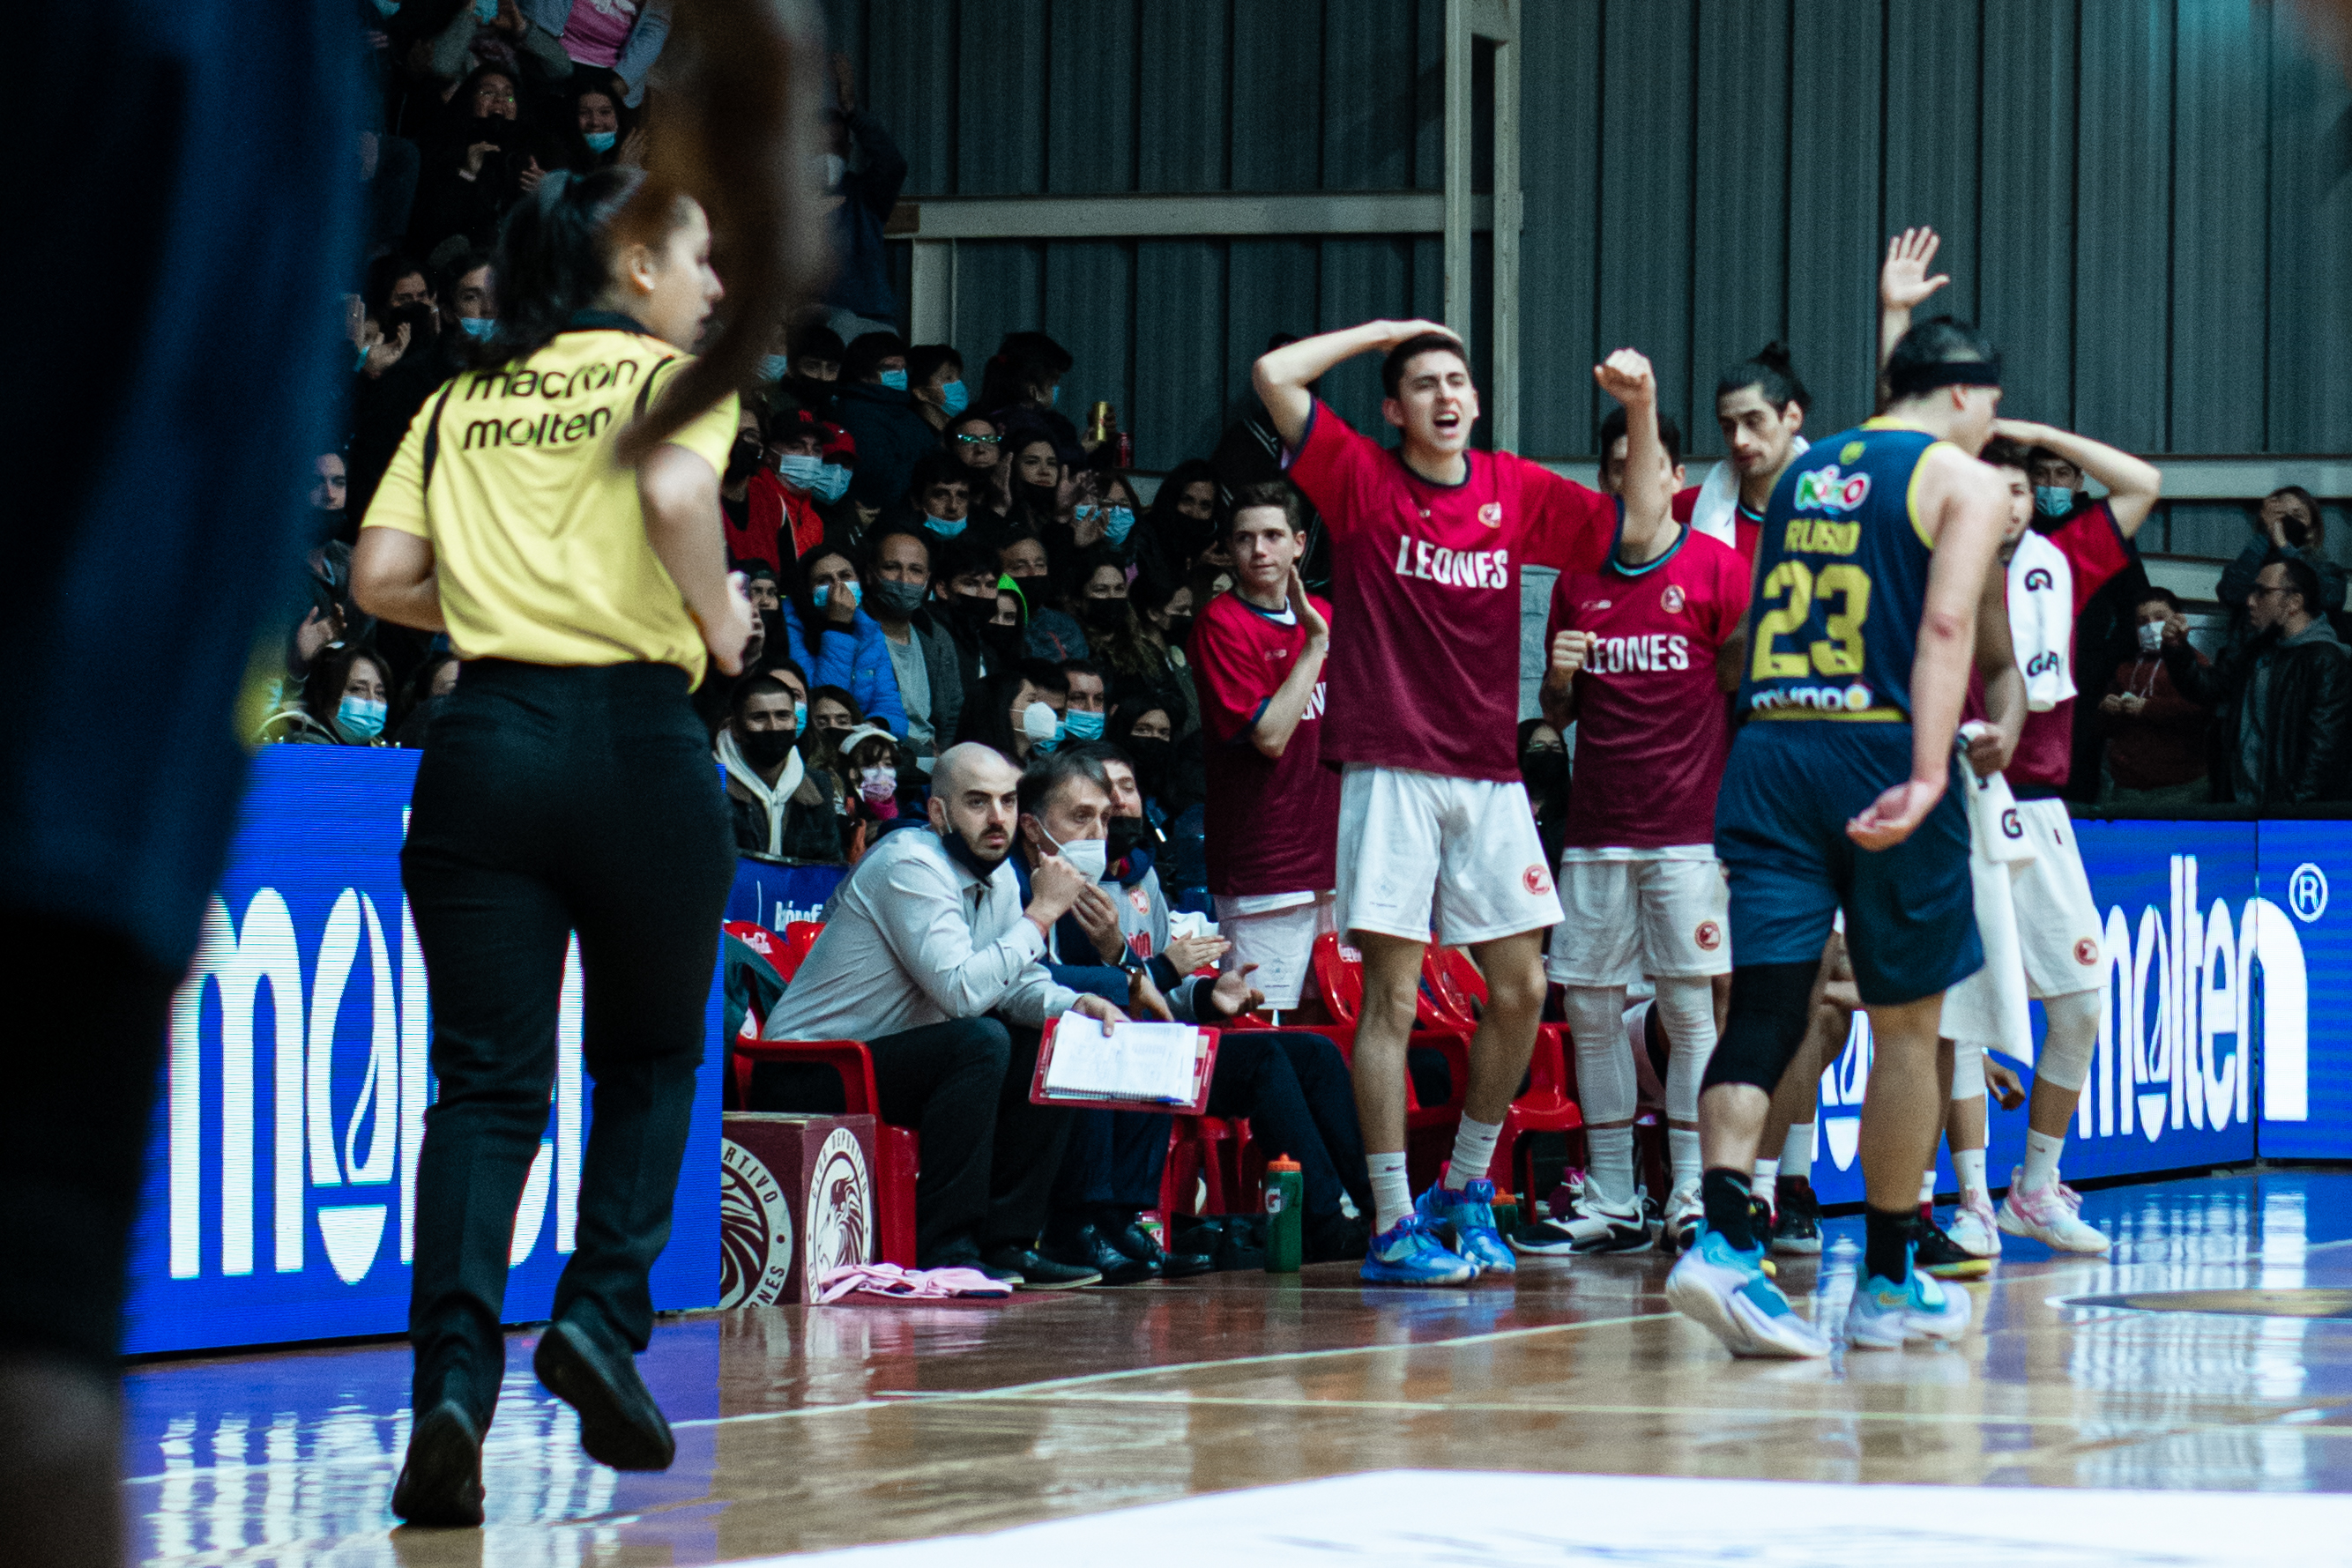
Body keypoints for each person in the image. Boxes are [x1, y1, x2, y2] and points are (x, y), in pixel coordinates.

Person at [351, 163, 757, 1523]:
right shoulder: (668, 381)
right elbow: (681, 502)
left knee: (483, 1091)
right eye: (700, 257)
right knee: (648, 1056)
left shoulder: (461, 399)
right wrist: (722, 627)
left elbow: (380, 579)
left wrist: (504, 596)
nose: (715, 284)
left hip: (487, 732)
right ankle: (596, 1315)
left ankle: (451, 1394)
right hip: (637, 737)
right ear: (635, 266)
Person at [1254, 319, 1654, 1285]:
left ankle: (1464, 1189)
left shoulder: (1513, 488)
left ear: (1475, 402)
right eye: (1423, 383)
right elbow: (1272, 374)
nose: (1444, 396)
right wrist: (1386, 332)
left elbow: (1638, 524)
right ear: (1394, 410)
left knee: (1520, 989)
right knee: (1389, 997)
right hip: (1390, 768)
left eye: (1457, 381)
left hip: (1487, 773)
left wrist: (1637, 407)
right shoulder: (1358, 480)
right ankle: (1395, 1224)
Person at [1666, 314, 2011, 1358]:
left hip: (1770, 748)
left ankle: (1722, 1241)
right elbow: (1946, 626)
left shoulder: (1813, 471)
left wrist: (1893, 312)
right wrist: (1923, 771)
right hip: (1873, 749)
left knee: (1769, 1002)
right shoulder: (1965, 480)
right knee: (1907, 1027)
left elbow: (1887, 437)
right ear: (1962, 393)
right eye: (1990, 403)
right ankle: (1893, 1280)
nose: (1994, 425)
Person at [1521, 390, 1750, 1258]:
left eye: (1646, 468)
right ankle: (1615, 1196)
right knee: (1590, 1011)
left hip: (1688, 834)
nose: (1631, 484)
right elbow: (1555, 714)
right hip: (1595, 834)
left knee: (1692, 1015)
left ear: (1675, 476)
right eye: (1615, 470)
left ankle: (1690, 1192)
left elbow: (1746, 701)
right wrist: (1556, 682)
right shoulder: (1575, 580)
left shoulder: (1721, 573)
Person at [762, 743, 1125, 1285]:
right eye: (978, 802)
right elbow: (960, 992)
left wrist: (1072, 1004)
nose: (998, 817)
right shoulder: (909, 863)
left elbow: (1017, 985)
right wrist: (1043, 913)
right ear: (938, 813)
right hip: (810, 1069)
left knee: (1050, 1041)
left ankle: (1008, 1243)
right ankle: (949, 1250)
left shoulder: (999, 875)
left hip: (891, 1059)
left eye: (1006, 800)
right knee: (980, 1041)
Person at [1189, 482, 1341, 1021]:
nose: (1260, 550)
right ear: (1229, 550)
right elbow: (1272, 736)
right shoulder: (1219, 624)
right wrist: (1316, 644)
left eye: (1274, 535)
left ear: (1299, 543)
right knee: (1263, 1025)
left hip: (1335, 861)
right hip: (1264, 868)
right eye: (1245, 538)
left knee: (1338, 1024)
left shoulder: (1324, 611)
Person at [2168, 554, 2351, 806]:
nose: (2250, 601)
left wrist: (2284, 817)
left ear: (2294, 602)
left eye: (2261, 592)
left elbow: (2321, 754)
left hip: (2286, 821)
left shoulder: (2325, 660)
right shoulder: (2257, 650)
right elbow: (2208, 688)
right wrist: (2177, 649)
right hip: (2242, 809)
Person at [817, 52, 908, 341]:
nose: (828, 154)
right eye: (819, 147)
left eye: (837, 145)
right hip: (813, 320)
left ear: (849, 149)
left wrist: (852, 110)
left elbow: (892, 163)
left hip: (868, 317)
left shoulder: (865, 194)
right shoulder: (787, 202)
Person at [2097, 588, 2213, 809]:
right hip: (2127, 787)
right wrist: (2107, 709)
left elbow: (2201, 711)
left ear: (2177, 619)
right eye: (2142, 621)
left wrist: (2148, 708)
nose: (2150, 626)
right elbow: (2103, 729)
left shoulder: (2194, 663)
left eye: (2159, 618)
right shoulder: (2125, 669)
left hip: (2181, 788)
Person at [778, 543, 909, 736]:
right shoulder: (789, 629)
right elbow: (825, 702)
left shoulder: (869, 630)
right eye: (824, 580)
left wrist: (872, 728)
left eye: (846, 576)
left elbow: (890, 707)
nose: (838, 586)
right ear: (807, 591)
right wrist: (838, 627)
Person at [718, 671, 847, 864]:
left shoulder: (819, 784)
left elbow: (828, 866)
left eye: (783, 716)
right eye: (759, 718)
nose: (773, 726)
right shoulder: (712, 782)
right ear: (735, 728)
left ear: (795, 724)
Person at [864, 525, 965, 769]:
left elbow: (952, 713)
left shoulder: (936, 638)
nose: (904, 580)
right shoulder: (857, 634)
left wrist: (941, 762)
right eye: (892, 567)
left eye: (915, 571)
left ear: (927, 579)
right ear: (870, 574)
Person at [834, 330, 936, 510]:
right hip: (891, 514)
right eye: (890, 368)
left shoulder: (902, 409)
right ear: (863, 373)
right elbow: (879, 478)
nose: (900, 374)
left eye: (903, 368)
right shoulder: (856, 415)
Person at [258, 645, 397, 746]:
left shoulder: (380, 748)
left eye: (380, 693)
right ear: (326, 695)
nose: (372, 700)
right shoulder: (307, 752)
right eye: (357, 689)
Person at [962, 658, 1070, 765]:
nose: (1048, 715)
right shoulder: (975, 766)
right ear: (1003, 706)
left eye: (1058, 713)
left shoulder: (1041, 769)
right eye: (1032, 701)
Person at [907, 344, 968, 433]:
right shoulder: (913, 436)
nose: (959, 385)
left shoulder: (960, 433)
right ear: (922, 393)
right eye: (948, 378)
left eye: (959, 378)